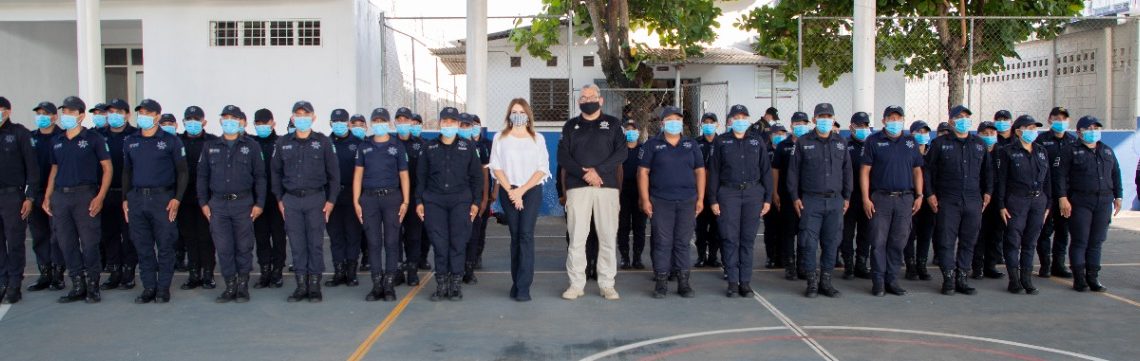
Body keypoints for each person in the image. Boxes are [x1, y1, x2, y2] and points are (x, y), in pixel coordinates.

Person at [558, 83, 626, 301]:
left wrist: (598, 172)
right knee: (577, 238)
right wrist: (584, 173)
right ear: (579, 102)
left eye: (591, 97)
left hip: (606, 188)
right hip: (578, 189)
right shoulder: (570, 126)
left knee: (607, 237)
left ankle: (607, 284)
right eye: (583, 97)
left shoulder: (614, 124)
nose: (588, 100)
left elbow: (621, 153)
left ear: (601, 100)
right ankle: (576, 284)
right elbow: (563, 157)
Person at [44, 96, 113, 303]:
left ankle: (93, 285)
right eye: (64, 111)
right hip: (61, 196)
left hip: (85, 194)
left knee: (90, 242)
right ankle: (77, 284)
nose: (66, 116)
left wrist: (100, 196)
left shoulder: (93, 139)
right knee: (66, 242)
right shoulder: (57, 141)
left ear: (81, 116)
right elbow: (54, 170)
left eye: (70, 112)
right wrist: (48, 195)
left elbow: (107, 168)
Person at [272, 100, 339, 303]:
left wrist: (331, 201)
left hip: (315, 199)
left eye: (306, 114)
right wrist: (279, 199)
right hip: (291, 200)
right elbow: (275, 173)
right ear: (292, 118)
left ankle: (315, 286)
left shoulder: (323, 142)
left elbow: (334, 175)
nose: (302, 118)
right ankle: (301, 286)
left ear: (313, 117)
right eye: (298, 115)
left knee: (315, 243)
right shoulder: (283, 142)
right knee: (297, 244)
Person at [124, 99, 189, 304]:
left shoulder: (170, 141)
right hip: (137, 198)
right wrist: (125, 198)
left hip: (162, 199)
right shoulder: (131, 141)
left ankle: (163, 288)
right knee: (142, 246)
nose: (143, 116)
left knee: (165, 245)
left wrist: (177, 198)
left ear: (157, 116)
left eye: (148, 113)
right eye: (140, 112)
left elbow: (183, 172)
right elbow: (126, 172)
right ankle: (149, 287)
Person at [199, 105, 265, 303]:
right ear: (220, 121)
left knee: (243, 247)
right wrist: (203, 202)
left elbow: (260, 177)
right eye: (225, 118)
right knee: (224, 247)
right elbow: (202, 176)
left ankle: (243, 286)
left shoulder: (252, 146)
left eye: (233, 118)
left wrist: (259, 203)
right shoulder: (210, 146)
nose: (229, 122)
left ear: (242, 122)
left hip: (243, 203)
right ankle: (230, 286)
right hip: (218, 205)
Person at [415, 107, 482, 302]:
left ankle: (455, 286)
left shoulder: (468, 147)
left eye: (452, 122)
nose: (448, 125)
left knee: (458, 243)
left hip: (460, 201)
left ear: (458, 124)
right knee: (439, 244)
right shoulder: (429, 147)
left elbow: (477, 177)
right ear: (439, 123)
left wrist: (476, 202)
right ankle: (441, 285)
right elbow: (421, 177)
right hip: (434, 201)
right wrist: (419, 201)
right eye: (445, 121)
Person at [488, 98, 550, 302]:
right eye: (514, 112)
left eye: (522, 112)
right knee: (515, 236)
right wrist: (512, 191)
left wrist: (522, 191)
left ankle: (524, 287)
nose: (518, 115)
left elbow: (542, 168)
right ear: (509, 115)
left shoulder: (537, 139)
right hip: (509, 190)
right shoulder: (500, 137)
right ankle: (516, 283)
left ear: (528, 115)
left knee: (526, 235)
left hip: (531, 190)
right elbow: (496, 166)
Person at [638, 106, 704, 298]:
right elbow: (643, 172)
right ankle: (661, 282)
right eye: (670, 119)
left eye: (678, 119)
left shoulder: (691, 145)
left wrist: (700, 198)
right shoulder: (652, 145)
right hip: (661, 201)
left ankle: (684, 282)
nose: (674, 123)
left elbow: (700, 171)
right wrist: (645, 199)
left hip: (687, 200)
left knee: (683, 242)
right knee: (662, 242)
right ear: (662, 123)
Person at [925, 105, 991, 295]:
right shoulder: (939, 144)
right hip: (948, 198)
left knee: (969, 240)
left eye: (967, 117)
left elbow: (987, 171)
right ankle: (948, 278)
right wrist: (930, 194)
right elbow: (928, 171)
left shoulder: (979, 144)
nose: (964, 120)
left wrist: (988, 192)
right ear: (952, 121)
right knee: (946, 240)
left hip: (972, 199)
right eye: (960, 117)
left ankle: (962, 277)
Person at [707, 104, 772, 298]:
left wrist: (767, 198)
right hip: (728, 194)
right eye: (736, 117)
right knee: (729, 238)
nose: (740, 120)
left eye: (744, 117)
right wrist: (713, 199)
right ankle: (733, 282)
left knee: (747, 239)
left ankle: (745, 282)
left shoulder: (757, 141)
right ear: (730, 121)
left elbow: (766, 171)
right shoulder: (721, 142)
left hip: (753, 193)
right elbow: (715, 172)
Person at [787, 103, 851, 298]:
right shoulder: (803, 142)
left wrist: (847, 197)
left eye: (828, 117)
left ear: (833, 119)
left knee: (832, 242)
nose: (825, 120)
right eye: (821, 117)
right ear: (814, 119)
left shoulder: (841, 142)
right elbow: (793, 173)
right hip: (811, 200)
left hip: (835, 201)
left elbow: (847, 171)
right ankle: (812, 282)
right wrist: (795, 197)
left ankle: (826, 281)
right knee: (808, 242)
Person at [862, 105, 924, 297]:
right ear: (884, 121)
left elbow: (917, 170)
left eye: (898, 118)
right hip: (881, 198)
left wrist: (920, 195)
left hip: (905, 199)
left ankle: (892, 279)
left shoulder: (910, 142)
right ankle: (878, 281)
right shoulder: (873, 141)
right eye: (891, 118)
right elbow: (865, 171)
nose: (895, 121)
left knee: (899, 241)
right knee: (879, 241)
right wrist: (866, 198)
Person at [1055, 116, 1122, 292]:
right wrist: (1062, 198)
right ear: (1079, 132)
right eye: (1089, 128)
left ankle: (1093, 277)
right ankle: (1079, 278)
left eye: (1096, 128)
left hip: (1104, 200)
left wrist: (1118, 197)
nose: (1093, 131)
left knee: (1096, 241)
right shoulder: (1071, 150)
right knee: (1080, 240)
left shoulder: (1106, 151)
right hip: (1081, 201)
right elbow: (1060, 176)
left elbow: (1116, 174)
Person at [354, 107, 410, 302]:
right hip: (369, 199)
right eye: (376, 121)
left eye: (382, 120)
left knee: (392, 242)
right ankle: (376, 284)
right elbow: (358, 175)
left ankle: (389, 284)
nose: (379, 124)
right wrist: (356, 201)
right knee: (374, 242)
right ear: (371, 124)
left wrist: (406, 200)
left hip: (392, 198)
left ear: (388, 123)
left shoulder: (397, 146)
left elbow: (404, 175)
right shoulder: (364, 146)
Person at [995, 115, 1050, 295]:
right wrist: (1001, 204)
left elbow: (1048, 180)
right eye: (1029, 128)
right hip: (1016, 200)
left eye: (1035, 128)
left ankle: (1027, 279)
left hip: (1038, 201)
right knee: (1013, 240)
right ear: (1018, 131)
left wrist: (1047, 204)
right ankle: (1014, 280)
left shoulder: (1041, 151)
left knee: (1030, 241)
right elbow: (1001, 180)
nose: (1033, 131)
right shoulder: (1008, 151)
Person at [0, 97, 39, 304]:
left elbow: (32, 168)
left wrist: (29, 196)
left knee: (14, 241)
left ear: (7, 111)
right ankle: (2, 281)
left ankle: (14, 282)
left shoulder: (19, 133)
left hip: (12, 196)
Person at [98, 99, 139, 290]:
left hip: (128, 193)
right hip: (106, 193)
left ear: (127, 114)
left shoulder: (135, 135)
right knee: (109, 234)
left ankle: (129, 272)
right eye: (111, 111)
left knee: (129, 234)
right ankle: (114, 271)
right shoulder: (98, 135)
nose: (114, 115)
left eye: (118, 111)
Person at [27, 100, 66, 293]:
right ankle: (45, 273)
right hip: (35, 192)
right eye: (39, 113)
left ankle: (58, 274)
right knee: (39, 235)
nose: (41, 117)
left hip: (56, 192)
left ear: (54, 117)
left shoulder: (61, 136)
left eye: (46, 113)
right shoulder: (30, 137)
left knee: (56, 235)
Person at [178, 106, 219, 291]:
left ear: (204, 121)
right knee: (190, 237)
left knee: (206, 237)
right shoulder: (177, 141)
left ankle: (208, 274)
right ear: (184, 121)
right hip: (184, 198)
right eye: (189, 119)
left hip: (207, 198)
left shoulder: (212, 142)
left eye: (196, 119)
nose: (192, 122)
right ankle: (194, 274)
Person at [1035, 107, 1076, 279]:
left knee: (1062, 230)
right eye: (1056, 118)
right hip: (1046, 192)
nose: (1060, 121)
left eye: (1063, 118)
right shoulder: (1042, 140)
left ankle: (1058, 265)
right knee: (1044, 231)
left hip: (1066, 194)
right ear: (1050, 119)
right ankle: (1045, 265)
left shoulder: (1073, 141)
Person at [325, 108, 363, 288]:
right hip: (331, 196)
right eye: (335, 121)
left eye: (342, 121)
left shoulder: (358, 143)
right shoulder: (325, 142)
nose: (339, 124)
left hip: (352, 194)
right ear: (331, 123)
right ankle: (339, 271)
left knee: (352, 234)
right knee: (335, 235)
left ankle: (351, 272)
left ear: (348, 123)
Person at [251, 108, 287, 288]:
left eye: (265, 122)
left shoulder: (280, 143)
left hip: (276, 199)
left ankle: (277, 271)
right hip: (258, 200)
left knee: (279, 237)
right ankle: (264, 271)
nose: (262, 126)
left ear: (273, 123)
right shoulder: (251, 143)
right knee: (261, 237)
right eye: (258, 123)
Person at [774, 112, 810, 281]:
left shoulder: (811, 143)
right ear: (791, 125)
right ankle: (789, 265)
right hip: (787, 195)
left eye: (804, 122)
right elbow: (776, 170)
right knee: (788, 232)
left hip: (807, 195)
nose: (801, 126)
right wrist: (775, 192)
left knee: (805, 232)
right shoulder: (783, 146)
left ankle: (802, 265)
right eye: (797, 123)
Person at [461, 113, 493, 285]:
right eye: (465, 125)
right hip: (457, 199)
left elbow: (485, 174)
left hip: (475, 198)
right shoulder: (452, 145)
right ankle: (457, 269)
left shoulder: (479, 147)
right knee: (458, 236)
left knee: (474, 234)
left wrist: (484, 198)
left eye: (471, 125)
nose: (468, 128)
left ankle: (469, 269)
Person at [394, 107, 424, 285]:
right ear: (395, 122)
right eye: (400, 120)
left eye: (407, 120)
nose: (403, 123)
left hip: (414, 197)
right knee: (395, 235)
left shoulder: (421, 145)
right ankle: (397, 270)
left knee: (414, 235)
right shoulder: (390, 144)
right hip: (395, 197)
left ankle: (412, 270)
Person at [841, 112, 873, 280]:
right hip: (850, 196)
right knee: (846, 232)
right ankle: (848, 265)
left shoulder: (872, 145)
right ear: (851, 127)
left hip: (867, 197)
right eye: (859, 126)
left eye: (865, 125)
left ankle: (861, 263)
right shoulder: (845, 145)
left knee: (865, 232)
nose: (863, 129)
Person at [973, 120, 1006, 279]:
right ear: (978, 135)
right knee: (979, 233)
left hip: (998, 199)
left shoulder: (1003, 152)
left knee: (996, 233)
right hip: (979, 197)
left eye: (992, 133)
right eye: (985, 134)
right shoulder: (975, 151)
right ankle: (977, 266)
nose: (989, 136)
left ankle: (990, 265)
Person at [904, 121, 935, 281]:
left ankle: (922, 265)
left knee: (925, 233)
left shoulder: (932, 153)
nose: (922, 134)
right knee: (909, 233)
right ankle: (910, 266)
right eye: (918, 131)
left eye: (925, 131)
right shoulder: (907, 153)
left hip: (929, 200)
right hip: (911, 198)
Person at [617, 119, 647, 270]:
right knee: (623, 226)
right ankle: (624, 257)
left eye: (633, 129)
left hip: (640, 191)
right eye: (627, 129)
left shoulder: (644, 149)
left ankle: (637, 257)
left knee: (639, 226)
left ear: (638, 132)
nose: (631, 132)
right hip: (622, 192)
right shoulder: (619, 149)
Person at [695, 112, 722, 268]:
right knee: (700, 228)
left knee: (716, 227)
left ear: (717, 124)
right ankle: (700, 256)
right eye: (706, 122)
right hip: (701, 193)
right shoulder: (696, 143)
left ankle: (713, 256)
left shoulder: (722, 142)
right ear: (701, 125)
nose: (709, 125)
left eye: (712, 122)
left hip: (718, 193)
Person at [762, 124, 787, 269]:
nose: (779, 135)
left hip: (786, 193)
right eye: (776, 133)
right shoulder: (764, 150)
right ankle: (771, 256)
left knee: (785, 228)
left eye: (782, 133)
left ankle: (783, 257)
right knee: (770, 228)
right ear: (770, 135)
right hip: (769, 194)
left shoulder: (790, 149)